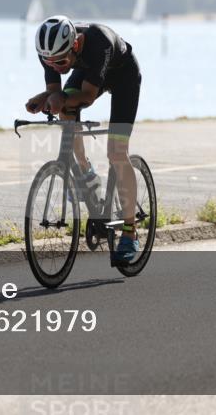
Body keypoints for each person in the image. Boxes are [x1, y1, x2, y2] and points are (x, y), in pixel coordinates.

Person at [25, 16, 142, 264]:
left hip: (123, 76)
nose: (55, 66)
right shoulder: (50, 51)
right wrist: (44, 97)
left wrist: (58, 98)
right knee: (65, 110)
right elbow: (56, 91)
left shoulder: (98, 43)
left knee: (116, 153)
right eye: (48, 63)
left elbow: (87, 97)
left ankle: (130, 233)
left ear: (75, 46)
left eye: (60, 62)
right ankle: (86, 172)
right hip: (87, 71)